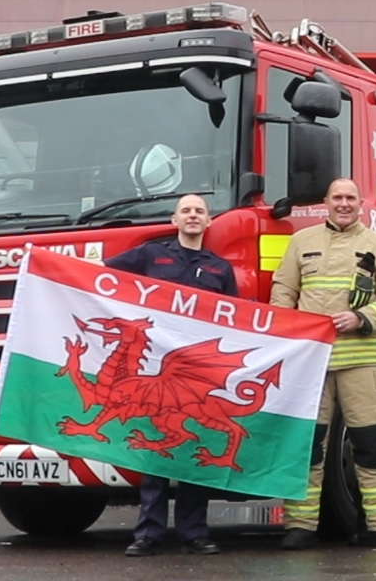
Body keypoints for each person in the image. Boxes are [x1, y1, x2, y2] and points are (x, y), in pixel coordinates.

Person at [270, 178, 376, 549]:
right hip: (311, 364)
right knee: (308, 446)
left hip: (360, 363)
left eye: (350, 198)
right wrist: (285, 336)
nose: (344, 204)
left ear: (361, 204)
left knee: (371, 444)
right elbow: (283, 291)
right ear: (327, 202)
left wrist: (363, 317)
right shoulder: (301, 241)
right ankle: (300, 526)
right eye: (338, 198)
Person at [104, 194, 235, 557]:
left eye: (200, 212)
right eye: (187, 211)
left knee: (192, 448)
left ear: (209, 223)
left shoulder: (219, 269)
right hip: (152, 372)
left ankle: (194, 533)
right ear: (174, 220)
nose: (193, 216)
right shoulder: (149, 255)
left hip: (196, 376)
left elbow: (236, 325)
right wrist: (53, 267)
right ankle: (148, 535)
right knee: (154, 452)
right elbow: (98, 277)